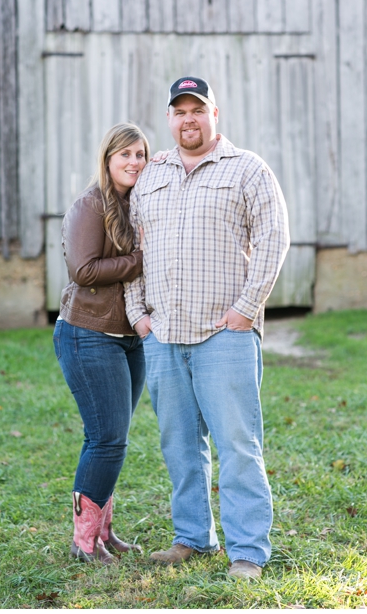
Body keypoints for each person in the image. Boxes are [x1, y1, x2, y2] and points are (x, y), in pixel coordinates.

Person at [124, 76, 290, 580]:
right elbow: (132, 252)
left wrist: (246, 308)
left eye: (198, 109)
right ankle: (192, 538)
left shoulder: (247, 170)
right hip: (164, 336)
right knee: (179, 445)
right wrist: (138, 316)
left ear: (215, 113)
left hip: (225, 335)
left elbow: (273, 239)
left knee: (238, 445)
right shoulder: (151, 176)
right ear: (169, 118)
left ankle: (247, 552)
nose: (188, 119)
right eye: (180, 111)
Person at [54, 123, 149, 563]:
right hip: (88, 334)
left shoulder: (137, 203)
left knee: (114, 437)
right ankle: (83, 541)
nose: (133, 162)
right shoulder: (90, 205)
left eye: (140, 155)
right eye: (124, 155)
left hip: (128, 338)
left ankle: (103, 531)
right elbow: (84, 270)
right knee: (106, 438)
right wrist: (139, 260)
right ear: (107, 159)